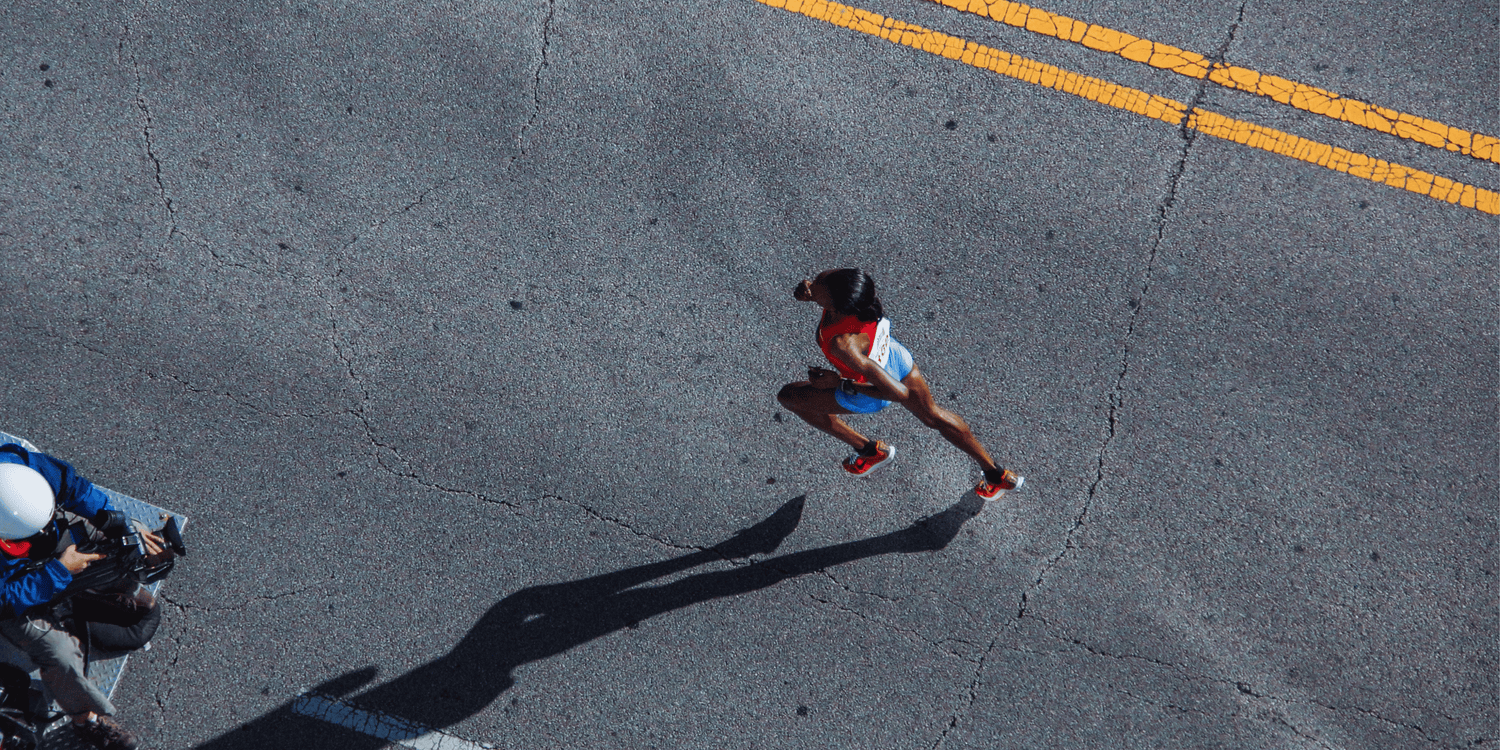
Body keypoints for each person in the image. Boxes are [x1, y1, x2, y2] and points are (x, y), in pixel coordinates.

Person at [777, 268, 1024, 499]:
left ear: (837, 304)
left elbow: (897, 393)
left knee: (789, 397)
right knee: (934, 415)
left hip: (872, 389)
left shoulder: (844, 346)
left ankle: (871, 452)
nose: (811, 283)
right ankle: (997, 475)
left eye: (818, 285)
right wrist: (814, 297)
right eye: (819, 278)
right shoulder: (861, 301)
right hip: (896, 359)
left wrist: (839, 382)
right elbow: (831, 299)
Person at [0, 442, 166, 750]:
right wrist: (57, 572)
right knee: (59, 653)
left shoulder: (19, 469)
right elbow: (5, 598)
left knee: (135, 536)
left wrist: (118, 524)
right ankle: (85, 719)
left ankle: (98, 588)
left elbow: (73, 488)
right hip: (9, 591)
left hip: (40, 541)